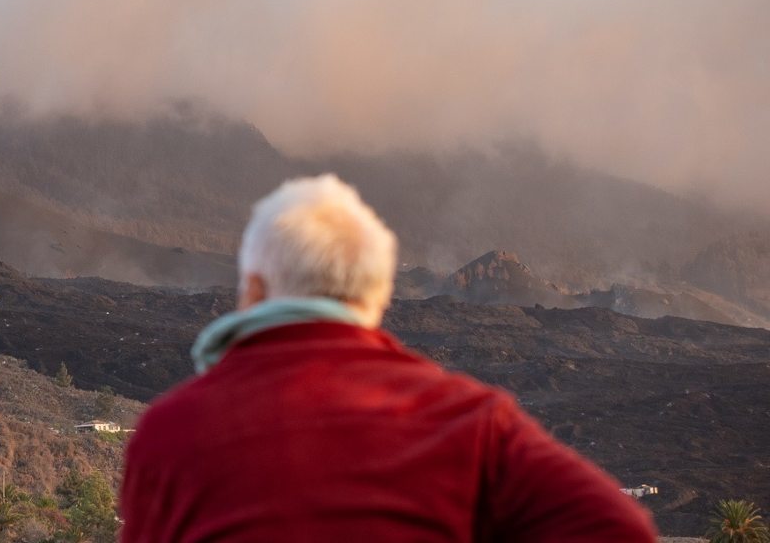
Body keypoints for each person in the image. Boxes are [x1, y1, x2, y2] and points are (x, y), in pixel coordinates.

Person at [117, 174, 653, 542]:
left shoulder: (170, 435)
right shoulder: (472, 424)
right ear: (377, 299)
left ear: (254, 289)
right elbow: (619, 530)